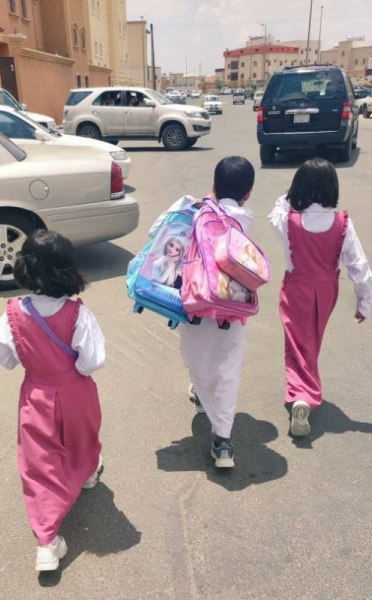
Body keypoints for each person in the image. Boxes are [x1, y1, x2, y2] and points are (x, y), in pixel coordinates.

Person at [0, 230, 105, 571]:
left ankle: (47, 543)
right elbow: (91, 360)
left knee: (39, 463)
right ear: (69, 270)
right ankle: (86, 474)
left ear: (24, 267)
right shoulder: (78, 314)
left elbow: (1, 355)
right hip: (76, 391)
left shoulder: (12, 314)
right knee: (82, 440)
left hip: (36, 394)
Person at [150, 156, 256, 468]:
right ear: (247, 193)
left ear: (213, 184)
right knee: (227, 370)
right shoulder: (244, 218)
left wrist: (190, 206)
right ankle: (222, 442)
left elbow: (157, 232)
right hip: (231, 309)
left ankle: (198, 389)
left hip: (193, 304)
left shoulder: (194, 209)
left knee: (196, 358)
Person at [268, 158, 372, 437]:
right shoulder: (342, 222)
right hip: (326, 289)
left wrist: (291, 195)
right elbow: (359, 265)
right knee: (312, 339)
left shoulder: (288, 220)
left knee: (295, 342)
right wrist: (364, 302)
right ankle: (305, 391)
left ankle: (301, 395)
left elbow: (275, 211)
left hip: (296, 287)